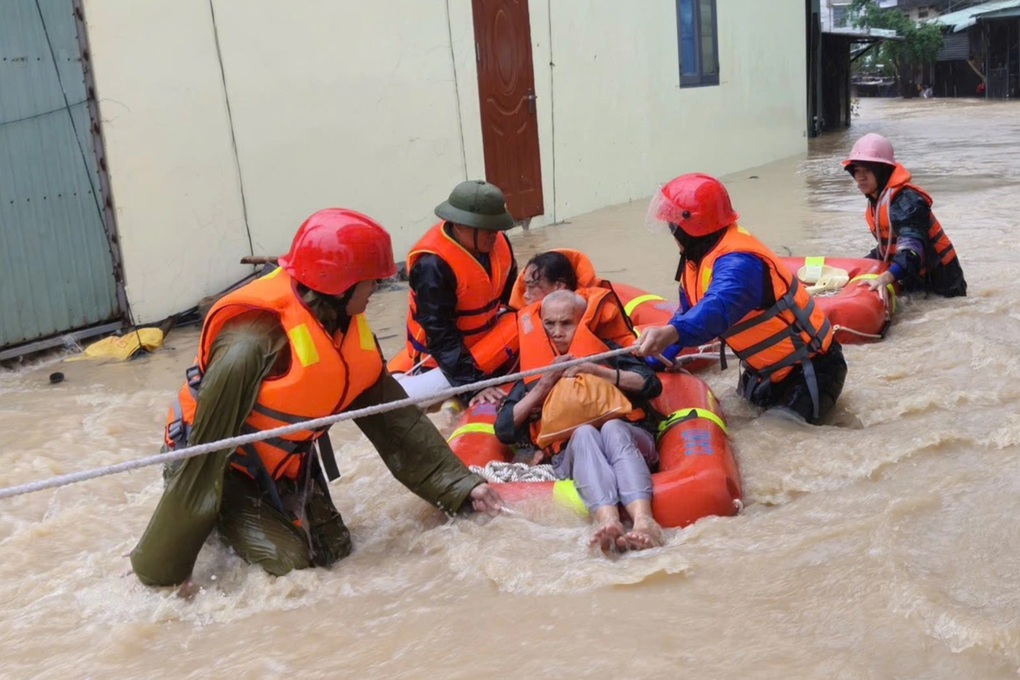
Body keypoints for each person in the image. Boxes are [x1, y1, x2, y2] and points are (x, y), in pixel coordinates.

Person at [130, 209, 502, 588]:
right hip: (225, 473)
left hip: (287, 466)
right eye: (371, 282)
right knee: (291, 567)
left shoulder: (343, 325)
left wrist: (461, 486)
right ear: (340, 287)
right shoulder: (250, 345)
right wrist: (163, 572)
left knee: (336, 553)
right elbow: (204, 456)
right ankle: (221, 525)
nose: (377, 289)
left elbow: (395, 422)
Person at [634, 173, 847, 425]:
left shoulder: (739, 264)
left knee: (775, 436)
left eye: (673, 225)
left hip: (810, 369)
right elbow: (687, 312)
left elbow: (718, 308)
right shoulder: (696, 261)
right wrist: (650, 362)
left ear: (691, 226)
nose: (671, 232)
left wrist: (671, 333)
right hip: (763, 372)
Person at [494, 290, 664, 553]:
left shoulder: (606, 351)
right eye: (549, 323)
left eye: (566, 323)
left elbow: (651, 385)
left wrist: (597, 371)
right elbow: (504, 429)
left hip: (629, 436)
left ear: (581, 321)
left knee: (613, 427)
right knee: (583, 433)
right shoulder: (535, 370)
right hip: (572, 451)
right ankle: (609, 521)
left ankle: (644, 522)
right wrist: (544, 385)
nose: (557, 332)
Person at [388, 180, 520, 403]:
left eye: (497, 227)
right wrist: (473, 385)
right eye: (488, 228)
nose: (494, 234)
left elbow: (508, 297)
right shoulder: (433, 266)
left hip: (484, 340)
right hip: (440, 359)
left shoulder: (499, 243)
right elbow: (440, 335)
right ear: (460, 225)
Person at [472, 250, 636, 407]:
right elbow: (477, 363)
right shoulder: (526, 320)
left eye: (532, 286)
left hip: (603, 397)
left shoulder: (597, 315)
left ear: (559, 286)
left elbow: (632, 360)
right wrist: (477, 387)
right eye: (525, 287)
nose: (525, 295)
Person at [843, 133, 966, 298]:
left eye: (867, 170)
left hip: (942, 282)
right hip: (913, 275)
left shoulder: (908, 202)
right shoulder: (877, 200)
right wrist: (855, 268)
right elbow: (886, 249)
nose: (860, 177)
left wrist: (884, 278)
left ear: (882, 171)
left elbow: (911, 251)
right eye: (857, 171)